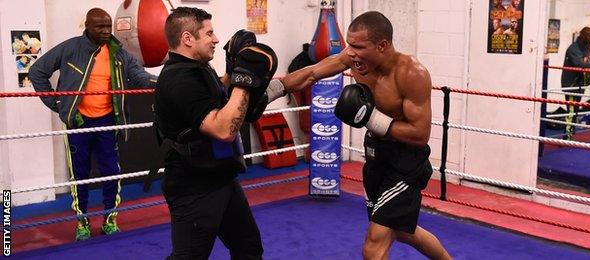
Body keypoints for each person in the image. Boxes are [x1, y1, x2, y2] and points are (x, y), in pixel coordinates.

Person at [265, 11, 451, 260]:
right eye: (349, 44)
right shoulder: (354, 59)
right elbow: (311, 73)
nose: (350, 52)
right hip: (376, 156)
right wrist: (268, 92)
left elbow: (420, 134)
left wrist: (371, 118)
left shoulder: (411, 74)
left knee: (374, 246)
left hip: (405, 164)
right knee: (403, 231)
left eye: (358, 46)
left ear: (382, 45)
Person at [156, 7, 275, 259]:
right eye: (209, 33)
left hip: (220, 178)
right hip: (193, 187)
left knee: (248, 248)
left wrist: (233, 73)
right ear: (188, 38)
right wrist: (245, 80)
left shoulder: (198, 69)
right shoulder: (179, 79)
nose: (216, 39)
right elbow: (223, 130)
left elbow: (214, 95)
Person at [29, 8, 157, 241]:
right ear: (87, 26)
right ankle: (82, 222)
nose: (106, 31)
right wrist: (59, 104)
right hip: (79, 122)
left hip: (108, 120)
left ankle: (110, 218)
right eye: (100, 27)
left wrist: (169, 80)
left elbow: (139, 76)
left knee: (111, 171)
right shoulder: (71, 48)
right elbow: (37, 70)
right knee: (80, 174)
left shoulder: (118, 53)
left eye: (108, 26)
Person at [561, 27, 590, 140]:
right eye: (589, 36)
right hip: (571, 85)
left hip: (580, 83)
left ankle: (571, 132)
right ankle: (567, 136)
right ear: (582, 36)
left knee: (575, 109)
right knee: (571, 110)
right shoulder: (573, 49)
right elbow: (578, 63)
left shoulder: (585, 47)